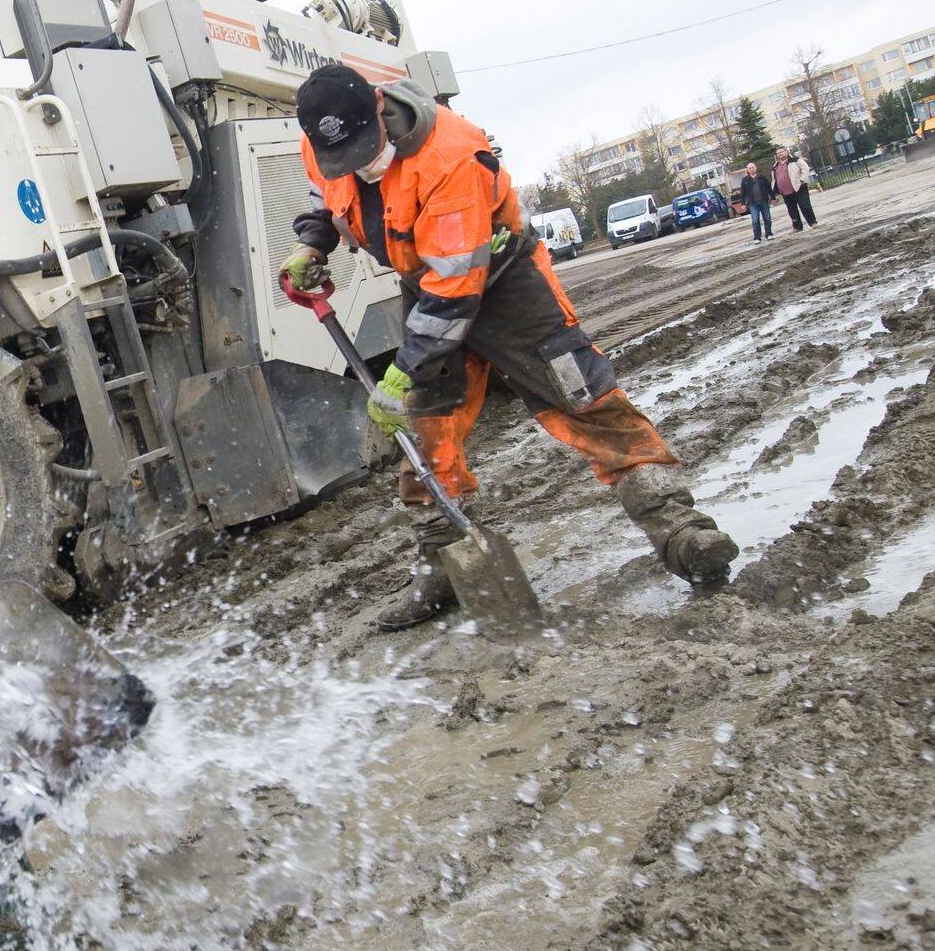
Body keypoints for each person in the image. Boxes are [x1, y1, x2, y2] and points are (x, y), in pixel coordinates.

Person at [280, 65, 738, 631]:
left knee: (586, 401)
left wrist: (401, 373)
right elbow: (324, 195)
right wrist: (313, 244)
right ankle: (443, 567)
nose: (356, 163)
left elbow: (455, 290)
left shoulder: (450, 154)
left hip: (503, 287)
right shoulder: (323, 141)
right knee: (426, 433)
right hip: (427, 287)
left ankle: (679, 531)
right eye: (339, 156)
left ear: (378, 106)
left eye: (362, 150)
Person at [771, 147, 817, 231]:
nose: (779, 154)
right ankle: (797, 227)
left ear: (786, 152)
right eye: (777, 153)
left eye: (781, 152)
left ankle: (813, 222)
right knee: (792, 210)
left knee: (805, 206)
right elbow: (774, 179)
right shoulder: (775, 165)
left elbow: (805, 168)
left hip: (799, 188)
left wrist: (802, 180)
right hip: (785, 192)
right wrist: (775, 189)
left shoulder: (795, 160)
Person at [740, 162, 775, 242]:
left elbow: (768, 187)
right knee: (755, 220)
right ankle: (757, 237)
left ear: (755, 168)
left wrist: (773, 197)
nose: (751, 169)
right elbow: (743, 193)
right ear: (747, 170)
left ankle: (769, 234)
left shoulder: (762, 177)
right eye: (749, 168)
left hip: (763, 201)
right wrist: (743, 204)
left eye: (752, 167)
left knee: (767, 218)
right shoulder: (745, 180)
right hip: (753, 203)